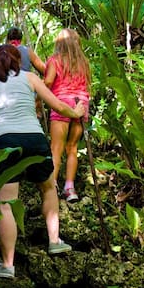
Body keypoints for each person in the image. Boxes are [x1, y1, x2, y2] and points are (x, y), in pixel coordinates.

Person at [0, 44, 87, 279]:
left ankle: (8, 265)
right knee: (48, 189)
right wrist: (77, 112)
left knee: (6, 204)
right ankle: (54, 240)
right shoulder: (30, 77)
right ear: (18, 60)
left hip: (5, 143)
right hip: (35, 139)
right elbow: (56, 105)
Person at [43, 28, 93, 202]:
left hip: (62, 103)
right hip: (81, 103)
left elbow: (48, 81)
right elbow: (88, 85)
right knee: (72, 148)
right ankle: (70, 188)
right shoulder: (84, 62)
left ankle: (52, 186)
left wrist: (38, 99)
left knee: (56, 148)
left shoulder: (55, 60)